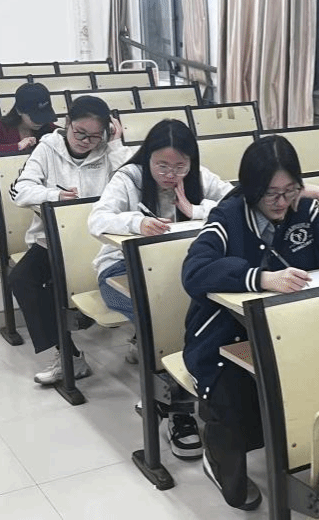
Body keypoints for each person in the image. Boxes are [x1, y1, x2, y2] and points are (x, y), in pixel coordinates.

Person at [181, 135, 319, 511]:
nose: (281, 202)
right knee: (235, 394)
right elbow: (194, 271)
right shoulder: (229, 215)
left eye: (290, 190)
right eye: (271, 194)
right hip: (226, 337)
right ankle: (219, 458)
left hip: (298, 330)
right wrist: (260, 278)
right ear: (252, 189)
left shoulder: (305, 207)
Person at [87, 119, 233, 461]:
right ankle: (176, 409)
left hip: (177, 273)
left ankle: (205, 390)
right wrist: (136, 223)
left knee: (208, 315)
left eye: (180, 166)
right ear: (148, 158)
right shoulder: (129, 178)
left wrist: (195, 210)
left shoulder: (199, 178)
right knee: (165, 322)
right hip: (120, 271)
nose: (170, 174)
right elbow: (97, 220)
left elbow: (237, 205)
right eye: (162, 166)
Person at [9, 95, 131, 385]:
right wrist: (54, 195)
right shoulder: (47, 148)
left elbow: (134, 183)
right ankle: (68, 357)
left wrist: (115, 145)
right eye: (80, 133)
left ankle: (143, 340)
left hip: (102, 241)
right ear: (67, 124)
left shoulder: (108, 151)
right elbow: (21, 190)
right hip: (54, 241)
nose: (86, 142)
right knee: (22, 279)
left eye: (95, 136)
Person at [0, 82, 57, 159]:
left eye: (44, 117)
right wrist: (16, 147)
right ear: (19, 111)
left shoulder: (47, 127)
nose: (41, 122)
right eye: (36, 117)